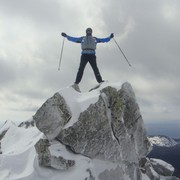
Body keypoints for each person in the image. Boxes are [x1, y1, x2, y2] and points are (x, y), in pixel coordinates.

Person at [61, 28, 114, 92]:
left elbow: (103, 40)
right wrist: (66, 36)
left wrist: (110, 37)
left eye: (90, 31)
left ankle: (100, 81)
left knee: (95, 68)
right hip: (84, 55)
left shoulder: (95, 39)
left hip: (92, 55)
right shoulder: (82, 38)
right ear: (86, 32)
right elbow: (74, 39)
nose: (89, 32)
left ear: (91, 32)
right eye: (88, 31)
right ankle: (76, 82)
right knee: (81, 68)